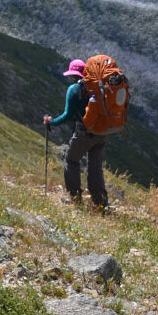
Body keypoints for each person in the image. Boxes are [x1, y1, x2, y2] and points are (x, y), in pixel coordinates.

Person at [43, 58, 108, 209]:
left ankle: (75, 198)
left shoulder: (74, 89)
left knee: (71, 160)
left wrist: (51, 122)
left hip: (84, 133)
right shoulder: (98, 87)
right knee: (95, 167)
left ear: (74, 75)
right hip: (102, 132)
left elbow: (67, 115)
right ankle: (100, 203)